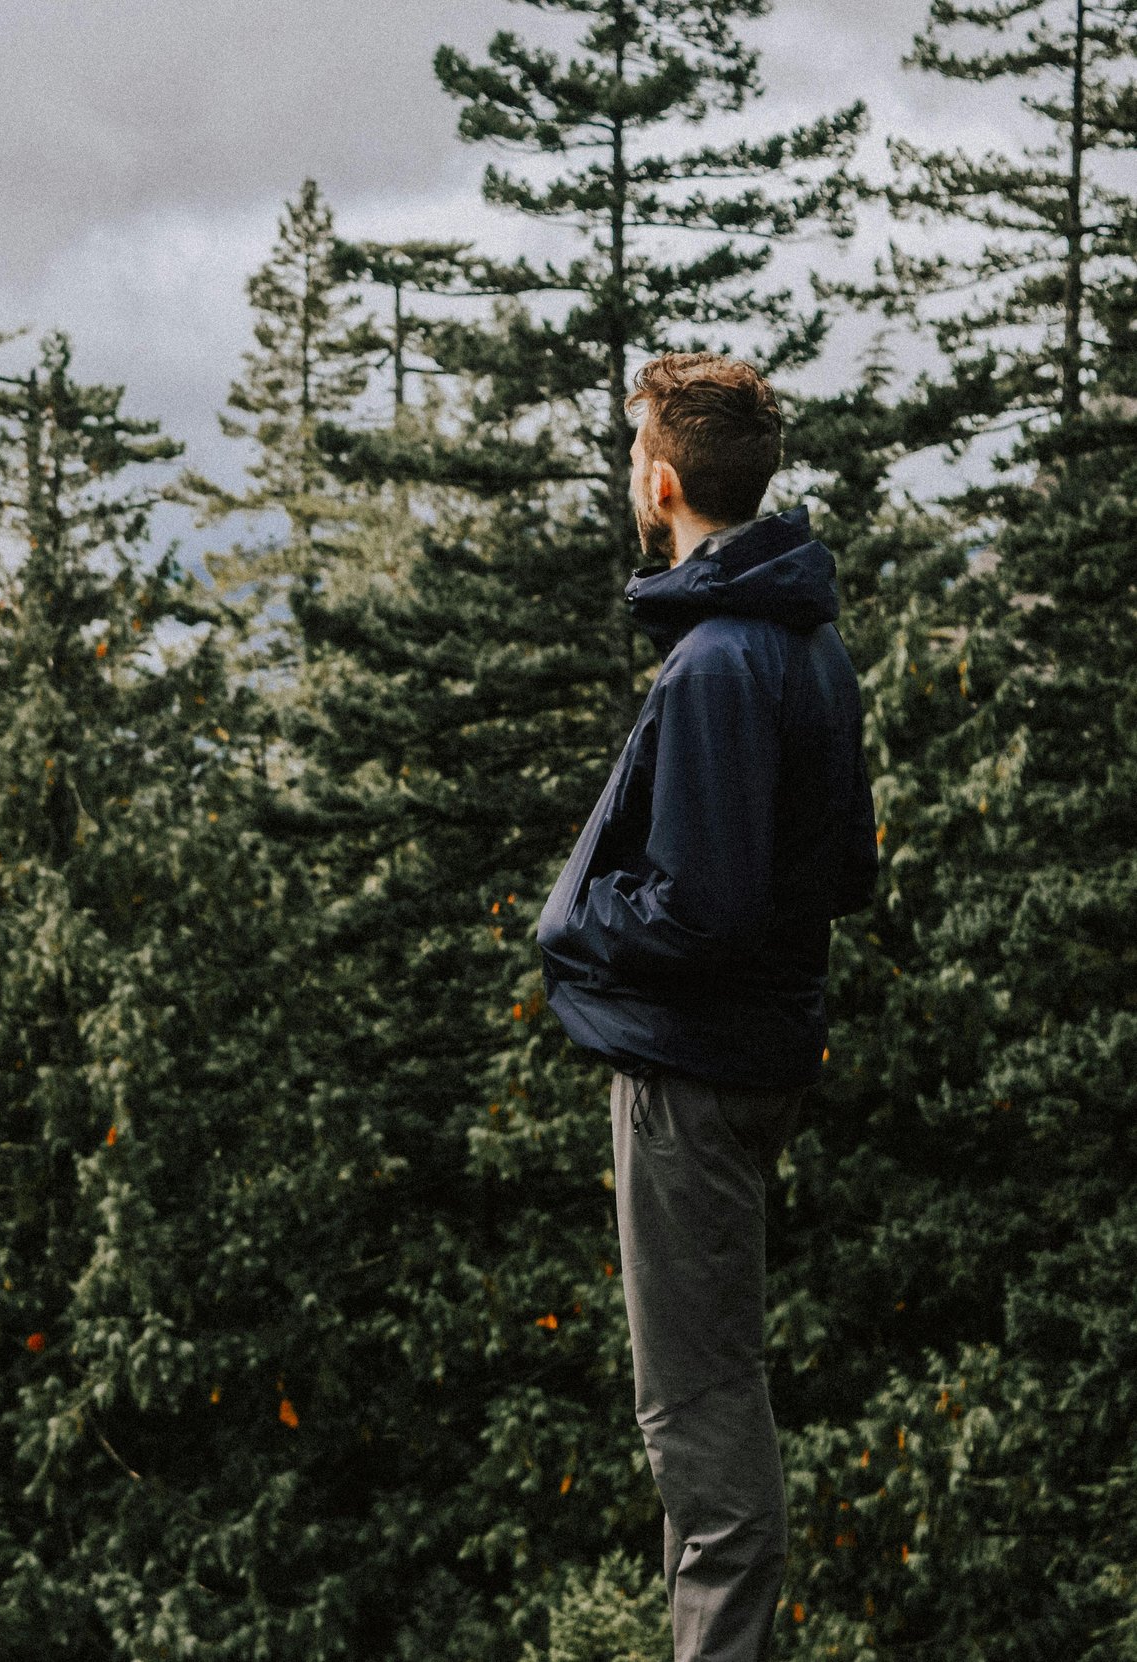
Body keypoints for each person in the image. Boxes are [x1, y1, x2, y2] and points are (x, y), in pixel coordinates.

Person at [536, 353, 877, 1661]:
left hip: (693, 1078)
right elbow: (841, 865)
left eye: (634, 459)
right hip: (757, 1052)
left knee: (697, 1404)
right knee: (711, 1392)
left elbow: (699, 909)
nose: (632, 479)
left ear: (663, 480)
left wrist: (581, 917)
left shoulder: (721, 660)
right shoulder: (800, 634)